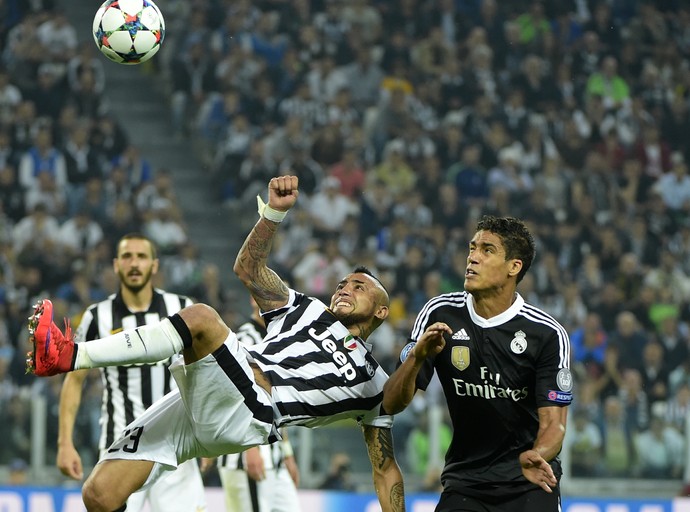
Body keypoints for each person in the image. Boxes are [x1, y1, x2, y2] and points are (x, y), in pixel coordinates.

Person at [27, 175, 406, 512]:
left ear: (382, 311)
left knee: (203, 318)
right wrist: (272, 215)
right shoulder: (305, 308)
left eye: (360, 287)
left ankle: (68, 354)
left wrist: (419, 355)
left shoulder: (374, 380)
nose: (345, 288)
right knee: (99, 494)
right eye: (343, 283)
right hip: (203, 397)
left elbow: (385, 467)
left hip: (252, 410)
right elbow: (248, 269)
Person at [382, 215, 572, 512]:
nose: (472, 258)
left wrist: (537, 454)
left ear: (514, 267)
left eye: (487, 250)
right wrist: (417, 358)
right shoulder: (439, 313)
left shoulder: (546, 333)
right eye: (472, 248)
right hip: (465, 482)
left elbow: (555, 424)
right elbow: (391, 403)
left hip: (529, 481)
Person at [56, 233, 206, 512]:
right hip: (119, 445)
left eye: (141, 256)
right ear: (115, 265)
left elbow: (201, 373)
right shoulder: (96, 316)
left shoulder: (182, 309)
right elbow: (74, 381)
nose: (134, 263)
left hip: (175, 445)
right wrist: (65, 442)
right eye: (127, 256)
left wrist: (205, 432)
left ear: (154, 265)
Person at [203, 295, 301, 512]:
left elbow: (274, 404)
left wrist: (287, 453)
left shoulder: (278, 339)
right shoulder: (246, 337)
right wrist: (251, 449)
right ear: (252, 299)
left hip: (274, 457)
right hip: (247, 454)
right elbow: (236, 393)